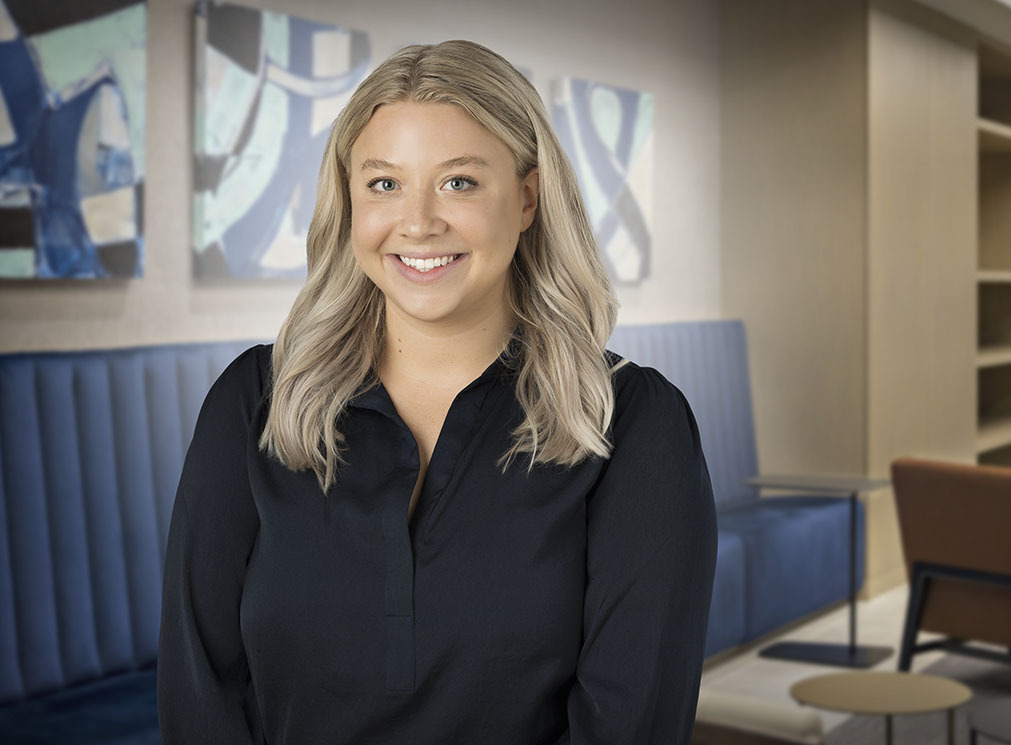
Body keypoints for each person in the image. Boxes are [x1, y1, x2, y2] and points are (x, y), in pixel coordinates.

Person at [157, 39, 717, 745]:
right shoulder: (253, 404)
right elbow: (199, 688)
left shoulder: (634, 425)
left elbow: (630, 723)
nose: (417, 222)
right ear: (350, 200)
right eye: (384, 184)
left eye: (458, 182)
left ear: (526, 199)